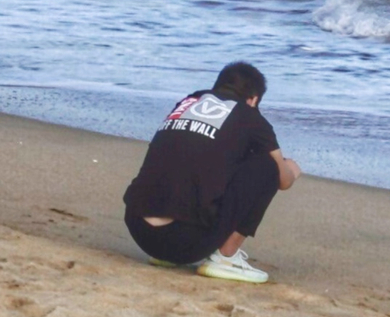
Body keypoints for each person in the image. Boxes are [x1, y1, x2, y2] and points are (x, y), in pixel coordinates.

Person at [123, 60, 299, 283]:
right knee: (268, 166)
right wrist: (292, 169)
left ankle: (171, 255)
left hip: (139, 229)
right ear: (253, 99)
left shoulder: (187, 102)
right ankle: (226, 257)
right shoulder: (250, 115)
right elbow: (283, 180)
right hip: (183, 242)